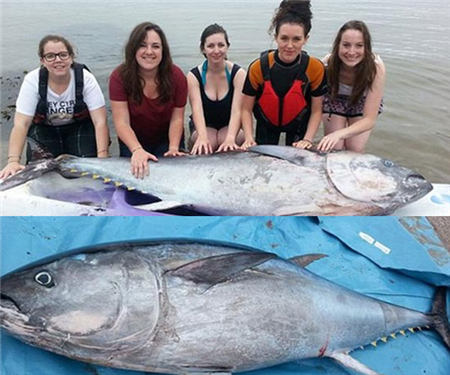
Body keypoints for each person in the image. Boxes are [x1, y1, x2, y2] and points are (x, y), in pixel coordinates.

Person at [0, 35, 109, 179]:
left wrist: (102, 158)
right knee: (41, 172)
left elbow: (100, 121)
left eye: (63, 55)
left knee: (85, 169)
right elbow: (22, 123)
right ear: (42, 60)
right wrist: (13, 161)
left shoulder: (85, 78)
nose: (58, 60)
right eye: (50, 56)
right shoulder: (33, 80)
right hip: (45, 129)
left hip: (79, 127)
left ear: (71, 57)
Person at [241, 0, 327, 150]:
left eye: (297, 39)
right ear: (276, 37)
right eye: (284, 38)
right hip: (266, 125)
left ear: (306, 39)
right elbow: (246, 109)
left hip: (299, 127)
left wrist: (307, 139)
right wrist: (248, 138)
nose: (289, 46)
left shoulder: (315, 68)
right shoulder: (258, 67)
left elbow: (316, 110)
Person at [109, 22, 188, 179]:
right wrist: (137, 150)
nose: (149, 52)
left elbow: (177, 117)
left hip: (167, 139)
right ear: (133, 49)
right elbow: (121, 122)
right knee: (136, 182)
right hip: (132, 139)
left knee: (172, 179)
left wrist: (173, 148)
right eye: (142, 45)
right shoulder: (119, 77)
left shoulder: (176, 75)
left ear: (163, 51)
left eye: (156, 46)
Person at [318, 20, 385, 152]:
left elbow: (369, 120)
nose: (352, 52)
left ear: (366, 47)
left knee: (355, 149)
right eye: (346, 45)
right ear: (338, 45)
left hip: (361, 102)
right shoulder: (326, 65)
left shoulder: (375, 69)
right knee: (334, 148)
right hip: (335, 100)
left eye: (359, 45)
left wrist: (339, 134)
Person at [188, 24, 246, 154]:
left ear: (227, 47)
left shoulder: (238, 74)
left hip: (229, 125)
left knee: (229, 146)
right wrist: (202, 137)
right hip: (204, 126)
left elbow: (238, 110)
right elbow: (197, 110)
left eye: (221, 45)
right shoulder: (194, 76)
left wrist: (230, 138)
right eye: (210, 46)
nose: (216, 50)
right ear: (203, 49)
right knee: (207, 145)